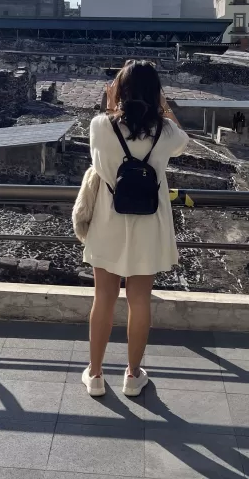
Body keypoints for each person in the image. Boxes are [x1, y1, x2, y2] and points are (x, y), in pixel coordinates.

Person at [81, 60, 190, 397]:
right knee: (139, 301)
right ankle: (132, 374)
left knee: (103, 299)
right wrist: (164, 106)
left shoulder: (101, 126)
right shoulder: (166, 132)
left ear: (121, 90)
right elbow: (183, 140)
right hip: (148, 226)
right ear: (155, 93)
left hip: (108, 222)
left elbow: (98, 162)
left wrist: (111, 100)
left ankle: (96, 376)